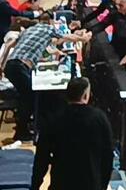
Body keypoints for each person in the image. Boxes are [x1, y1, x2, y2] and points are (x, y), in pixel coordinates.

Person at [4, 13, 90, 142]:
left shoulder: (29, 30)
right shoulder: (49, 29)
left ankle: (26, 126)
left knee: (27, 96)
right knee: (31, 97)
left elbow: (9, 45)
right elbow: (67, 37)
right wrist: (83, 38)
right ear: (50, 22)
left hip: (11, 66)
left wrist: (1, 65)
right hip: (19, 67)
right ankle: (23, 131)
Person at [30, 77, 113, 190]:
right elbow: (107, 156)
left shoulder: (54, 118)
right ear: (85, 96)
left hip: (61, 183)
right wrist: (102, 185)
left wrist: (35, 186)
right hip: (90, 183)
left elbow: (41, 157)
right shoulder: (99, 118)